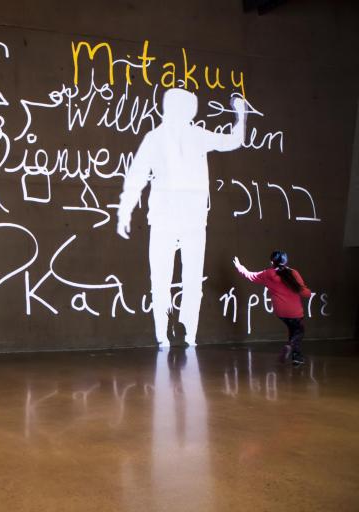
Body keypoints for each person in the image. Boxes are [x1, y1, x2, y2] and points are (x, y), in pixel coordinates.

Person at [117, 89, 247, 347]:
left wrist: (241, 116)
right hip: (172, 220)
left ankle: (184, 335)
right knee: (167, 280)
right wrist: (124, 212)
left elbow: (232, 141)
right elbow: (137, 175)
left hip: (189, 221)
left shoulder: (188, 136)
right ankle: (170, 335)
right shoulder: (159, 138)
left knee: (183, 279)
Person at [233, 251, 311, 365]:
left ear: (272, 262)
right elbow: (304, 293)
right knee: (299, 331)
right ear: (286, 261)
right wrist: (309, 293)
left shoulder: (267, 274)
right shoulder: (294, 273)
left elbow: (250, 275)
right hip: (295, 311)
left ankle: (296, 357)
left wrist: (240, 267)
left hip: (280, 311)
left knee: (293, 329)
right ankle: (290, 347)